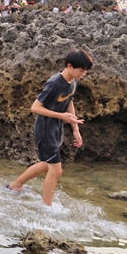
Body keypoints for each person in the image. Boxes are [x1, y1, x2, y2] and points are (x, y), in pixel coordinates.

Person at [7, 50, 93, 206]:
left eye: (85, 71)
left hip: (56, 129)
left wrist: (75, 129)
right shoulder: (54, 83)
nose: (84, 74)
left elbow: (69, 101)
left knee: (47, 164)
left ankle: (15, 185)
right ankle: (47, 206)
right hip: (45, 129)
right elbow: (35, 108)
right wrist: (61, 116)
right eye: (82, 70)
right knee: (56, 170)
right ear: (69, 66)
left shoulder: (73, 81)